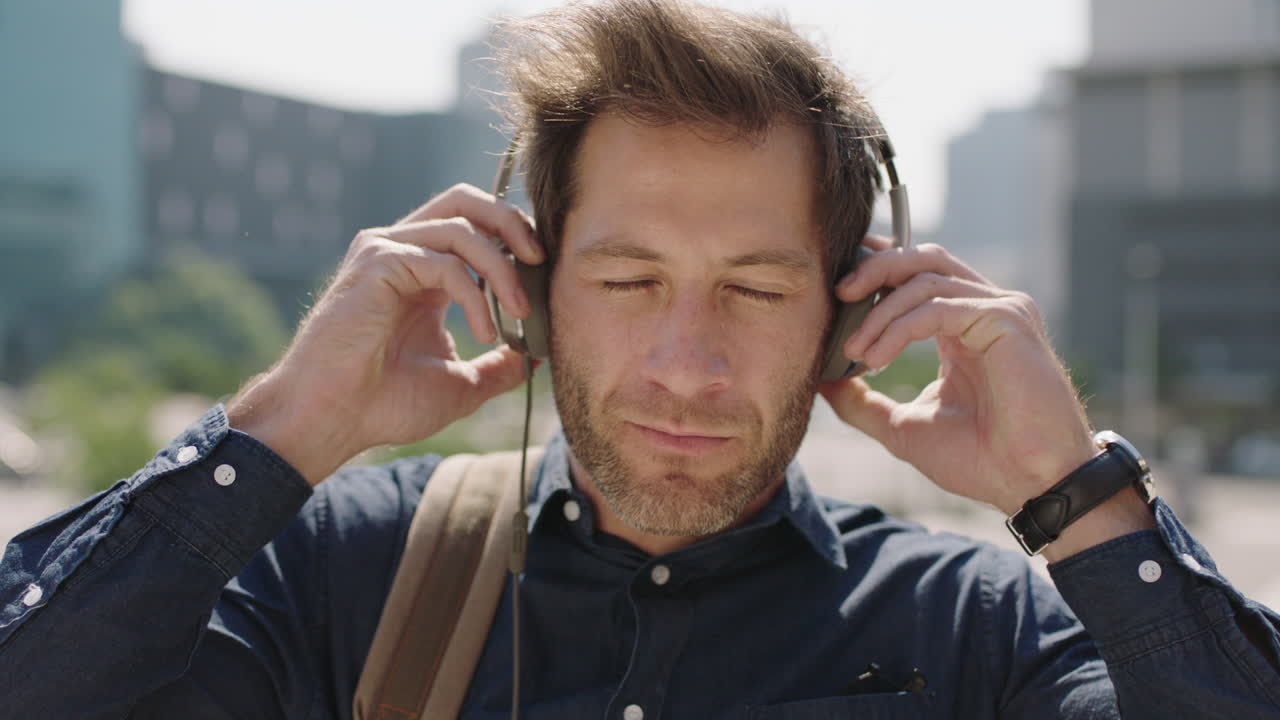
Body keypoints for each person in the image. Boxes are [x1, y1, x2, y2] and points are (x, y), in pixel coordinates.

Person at [2, 0, 1278, 717]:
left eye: (754, 287)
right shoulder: (340, 576)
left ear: (841, 314)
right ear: (531, 290)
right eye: (626, 281)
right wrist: (278, 428)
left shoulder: (978, 629)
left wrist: (1077, 499)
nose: (687, 362)